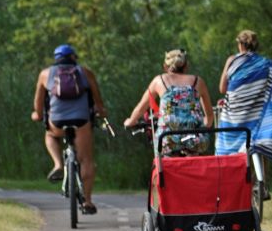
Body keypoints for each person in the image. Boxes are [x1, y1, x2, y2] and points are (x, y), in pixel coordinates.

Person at [31, 44, 107, 214]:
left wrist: (37, 114)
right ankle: (87, 202)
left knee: (50, 135)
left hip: (57, 121)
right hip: (81, 121)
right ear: (73, 57)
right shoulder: (85, 72)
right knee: (86, 160)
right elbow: (97, 99)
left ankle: (58, 163)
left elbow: (38, 102)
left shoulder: (45, 74)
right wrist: (101, 111)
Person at [216, 29, 272, 194]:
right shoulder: (265, 63)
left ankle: (234, 185)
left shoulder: (232, 60)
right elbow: (268, 89)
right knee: (260, 143)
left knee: (229, 145)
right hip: (256, 113)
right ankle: (263, 184)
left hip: (235, 115)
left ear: (240, 44)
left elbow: (223, 88)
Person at [123, 49, 214, 155]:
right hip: (196, 141)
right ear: (186, 66)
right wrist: (202, 125)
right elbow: (209, 117)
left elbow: (141, 107)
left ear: (165, 66)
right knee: (197, 150)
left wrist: (131, 121)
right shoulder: (198, 81)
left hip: (167, 141)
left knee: (162, 150)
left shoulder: (159, 80)